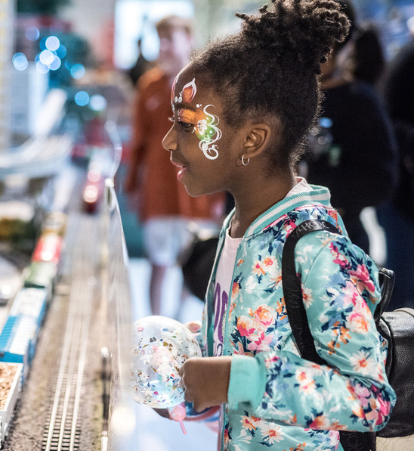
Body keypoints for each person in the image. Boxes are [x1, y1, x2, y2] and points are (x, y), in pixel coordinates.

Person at [158, 1, 394, 449]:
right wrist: (189, 385)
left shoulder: (316, 249)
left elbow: (371, 400)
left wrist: (241, 380)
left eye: (186, 124)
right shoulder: (236, 232)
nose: (169, 140)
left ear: (252, 139)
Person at [124, 15, 224, 316]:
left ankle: (180, 321)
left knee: (194, 261)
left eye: (170, 39)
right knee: (158, 263)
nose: (164, 47)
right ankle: (153, 326)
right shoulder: (149, 87)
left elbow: (215, 143)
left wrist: (220, 194)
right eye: (160, 40)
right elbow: (137, 143)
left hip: (198, 194)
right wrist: (132, 186)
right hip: (159, 191)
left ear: (188, 39)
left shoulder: (207, 86)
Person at [303, 0, 397, 254]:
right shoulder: (277, 97)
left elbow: (380, 180)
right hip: (271, 250)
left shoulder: (358, 100)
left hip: (339, 246)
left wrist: (306, 183)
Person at [378, 24, 414, 310]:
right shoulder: (406, 65)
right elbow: (391, 125)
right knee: (400, 279)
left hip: (399, 192)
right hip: (401, 195)